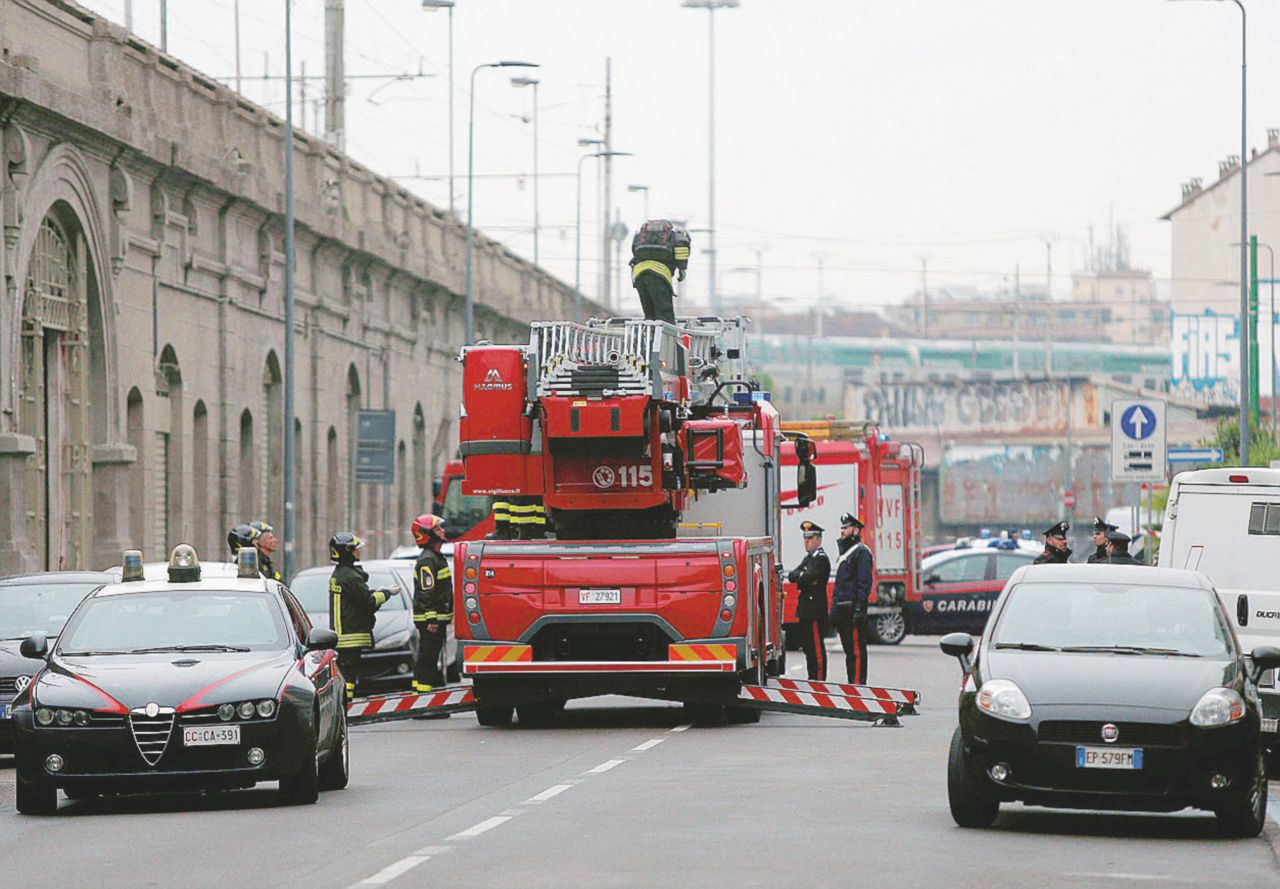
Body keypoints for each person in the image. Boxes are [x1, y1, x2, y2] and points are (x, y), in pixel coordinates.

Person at [328, 532, 396, 700]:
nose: (359, 552)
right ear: (347, 552)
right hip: (351, 635)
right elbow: (368, 603)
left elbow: (357, 597)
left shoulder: (342, 574)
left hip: (345, 634)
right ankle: (347, 706)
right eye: (356, 549)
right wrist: (386, 593)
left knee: (347, 674)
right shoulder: (349, 577)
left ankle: (346, 704)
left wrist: (377, 591)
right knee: (349, 677)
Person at [409, 514, 453, 700]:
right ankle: (422, 701)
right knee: (427, 661)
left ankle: (427, 699)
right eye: (437, 529)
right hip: (430, 621)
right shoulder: (428, 560)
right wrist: (432, 619)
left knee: (430, 660)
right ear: (428, 534)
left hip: (435, 620)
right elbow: (428, 591)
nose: (442, 531)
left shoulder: (435, 557)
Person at [829, 512, 874, 685]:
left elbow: (864, 584)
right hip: (843, 611)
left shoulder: (861, 552)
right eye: (842, 528)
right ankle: (852, 686)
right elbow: (841, 586)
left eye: (846, 528)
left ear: (856, 530)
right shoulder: (846, 552)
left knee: (856, 653)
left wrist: (858, 610)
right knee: (849, 653)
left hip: (852, 610)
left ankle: (857, 688)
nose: (842, 531)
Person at [787, 520, 832, 680]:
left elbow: (807, 577)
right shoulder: (809, 558)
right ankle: (812, 678)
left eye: (810, 537)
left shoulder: (820, 558)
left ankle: (818, 680)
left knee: (816, 649)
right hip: (806, 609)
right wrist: (803, 576)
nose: (806, 541)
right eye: (805, 538)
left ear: (818, 539)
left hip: (814, 610)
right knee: (808, 648)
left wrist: (803, 577)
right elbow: (793, 575)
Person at [629, 219, 691, 324]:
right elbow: (682, 252)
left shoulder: (641, 238)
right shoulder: (677, 238)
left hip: (639, 275)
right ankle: (667, 339)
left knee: (649, 314)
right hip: (659, 276)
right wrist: (682, 269)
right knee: (664, 314)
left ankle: (649, 337)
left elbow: (634, 252)